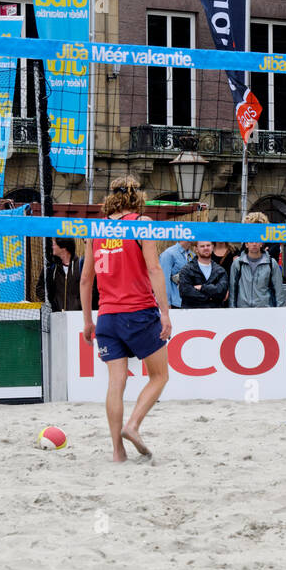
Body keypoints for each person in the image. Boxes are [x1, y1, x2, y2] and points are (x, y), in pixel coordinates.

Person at [80, 176, 173, 462]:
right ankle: (132, 426)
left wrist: (87, 321)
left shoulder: (96, 230)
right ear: (137, 197)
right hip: (138, 313)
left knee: (115, 384)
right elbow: (155, 270)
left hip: (107, 316)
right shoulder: (142, 224)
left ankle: (117, 453)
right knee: (159, 376)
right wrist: (166, 313)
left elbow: (85, 279)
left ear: (111, 197)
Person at [231, 238, 283, 308]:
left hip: (264, 310)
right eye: (251, 241)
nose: (254, 244)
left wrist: (280, 311)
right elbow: (232, 290)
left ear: (262, 244)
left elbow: (279, 291)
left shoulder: (271, 263)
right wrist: (232, 310)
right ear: (246, 244)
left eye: (257, 241)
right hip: (243, 310)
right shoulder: (238, 263)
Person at [40, 238, 87, 311]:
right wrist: (52, 302)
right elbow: (40, 288)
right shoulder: (51, 268)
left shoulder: (81, 265)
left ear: (63, 247)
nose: (52, 247)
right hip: (57, 316)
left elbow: (91, 289)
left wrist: (79, 305)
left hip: (77, 316)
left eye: (54, 245)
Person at [179, 240, 228, 308]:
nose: (206, 248)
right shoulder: (187, 270)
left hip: (215, 314)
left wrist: (202, 288)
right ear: (196, 249)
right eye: (202, 246)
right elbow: (185, 292)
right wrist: (210, 298)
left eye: (208, 245)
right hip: (192, 314)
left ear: (213, 247)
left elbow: (221, 292)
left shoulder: (220, 271)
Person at [159, 240, 193, 309]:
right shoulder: (168, 254)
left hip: (189, 303)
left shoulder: (192, 255)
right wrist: (166, 303)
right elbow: (164, 280)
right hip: (174, 303)